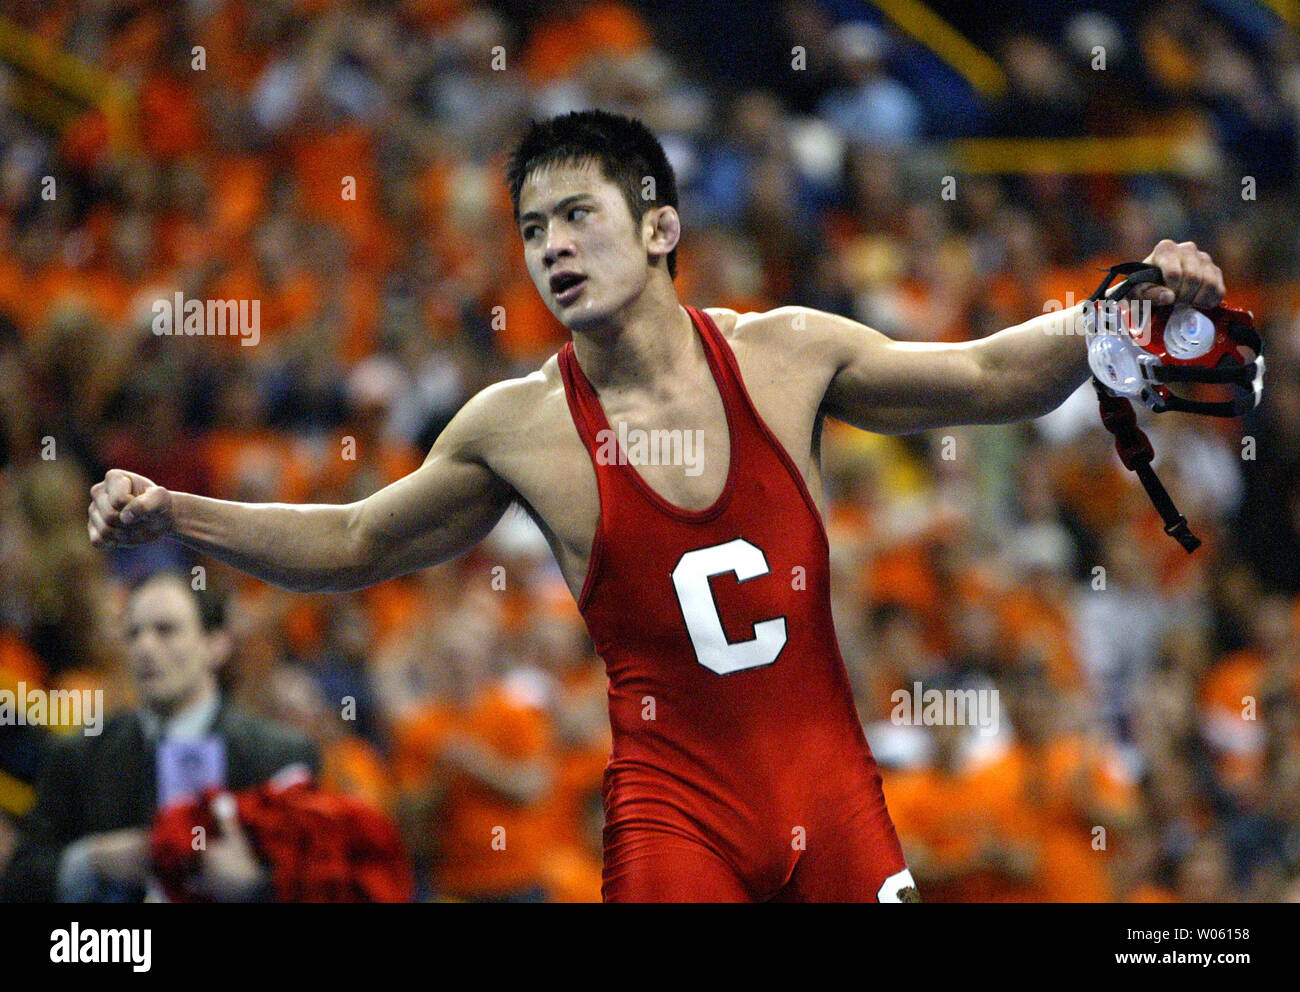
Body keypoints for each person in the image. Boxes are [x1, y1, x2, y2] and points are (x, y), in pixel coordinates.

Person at [87, 109, 1226, 902]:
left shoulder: (783, 354)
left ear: (661, 228)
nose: (551, 248)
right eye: (532, 230)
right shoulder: (517, 426)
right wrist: (179, 513)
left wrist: (1110, 309)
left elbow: (984, 375)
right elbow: (353, 539)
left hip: (832, 799)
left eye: (577, 216)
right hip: (672, 817)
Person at [2, 570, 319, 902]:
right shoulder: (77, 756)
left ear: (216, 645)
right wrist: (90, 860)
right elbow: (18, 883)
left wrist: (255, 886)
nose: (145, 647)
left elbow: (322, 886)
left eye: (165, 630)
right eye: (133, 633)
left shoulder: (279, 756)